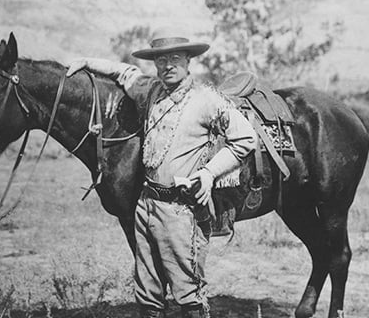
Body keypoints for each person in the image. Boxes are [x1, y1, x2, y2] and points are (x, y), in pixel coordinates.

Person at [66, 27, 257, 318]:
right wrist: (86, 61)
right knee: (148, 292)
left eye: (175, 58)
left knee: (188, 293)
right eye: (161, 60)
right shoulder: (151, 91)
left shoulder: (206, 99)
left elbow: (246, 138)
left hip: (182, 210)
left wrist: (208, 174)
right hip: (146, 206)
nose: (167, 66)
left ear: (188, 61)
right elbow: (124, 73)